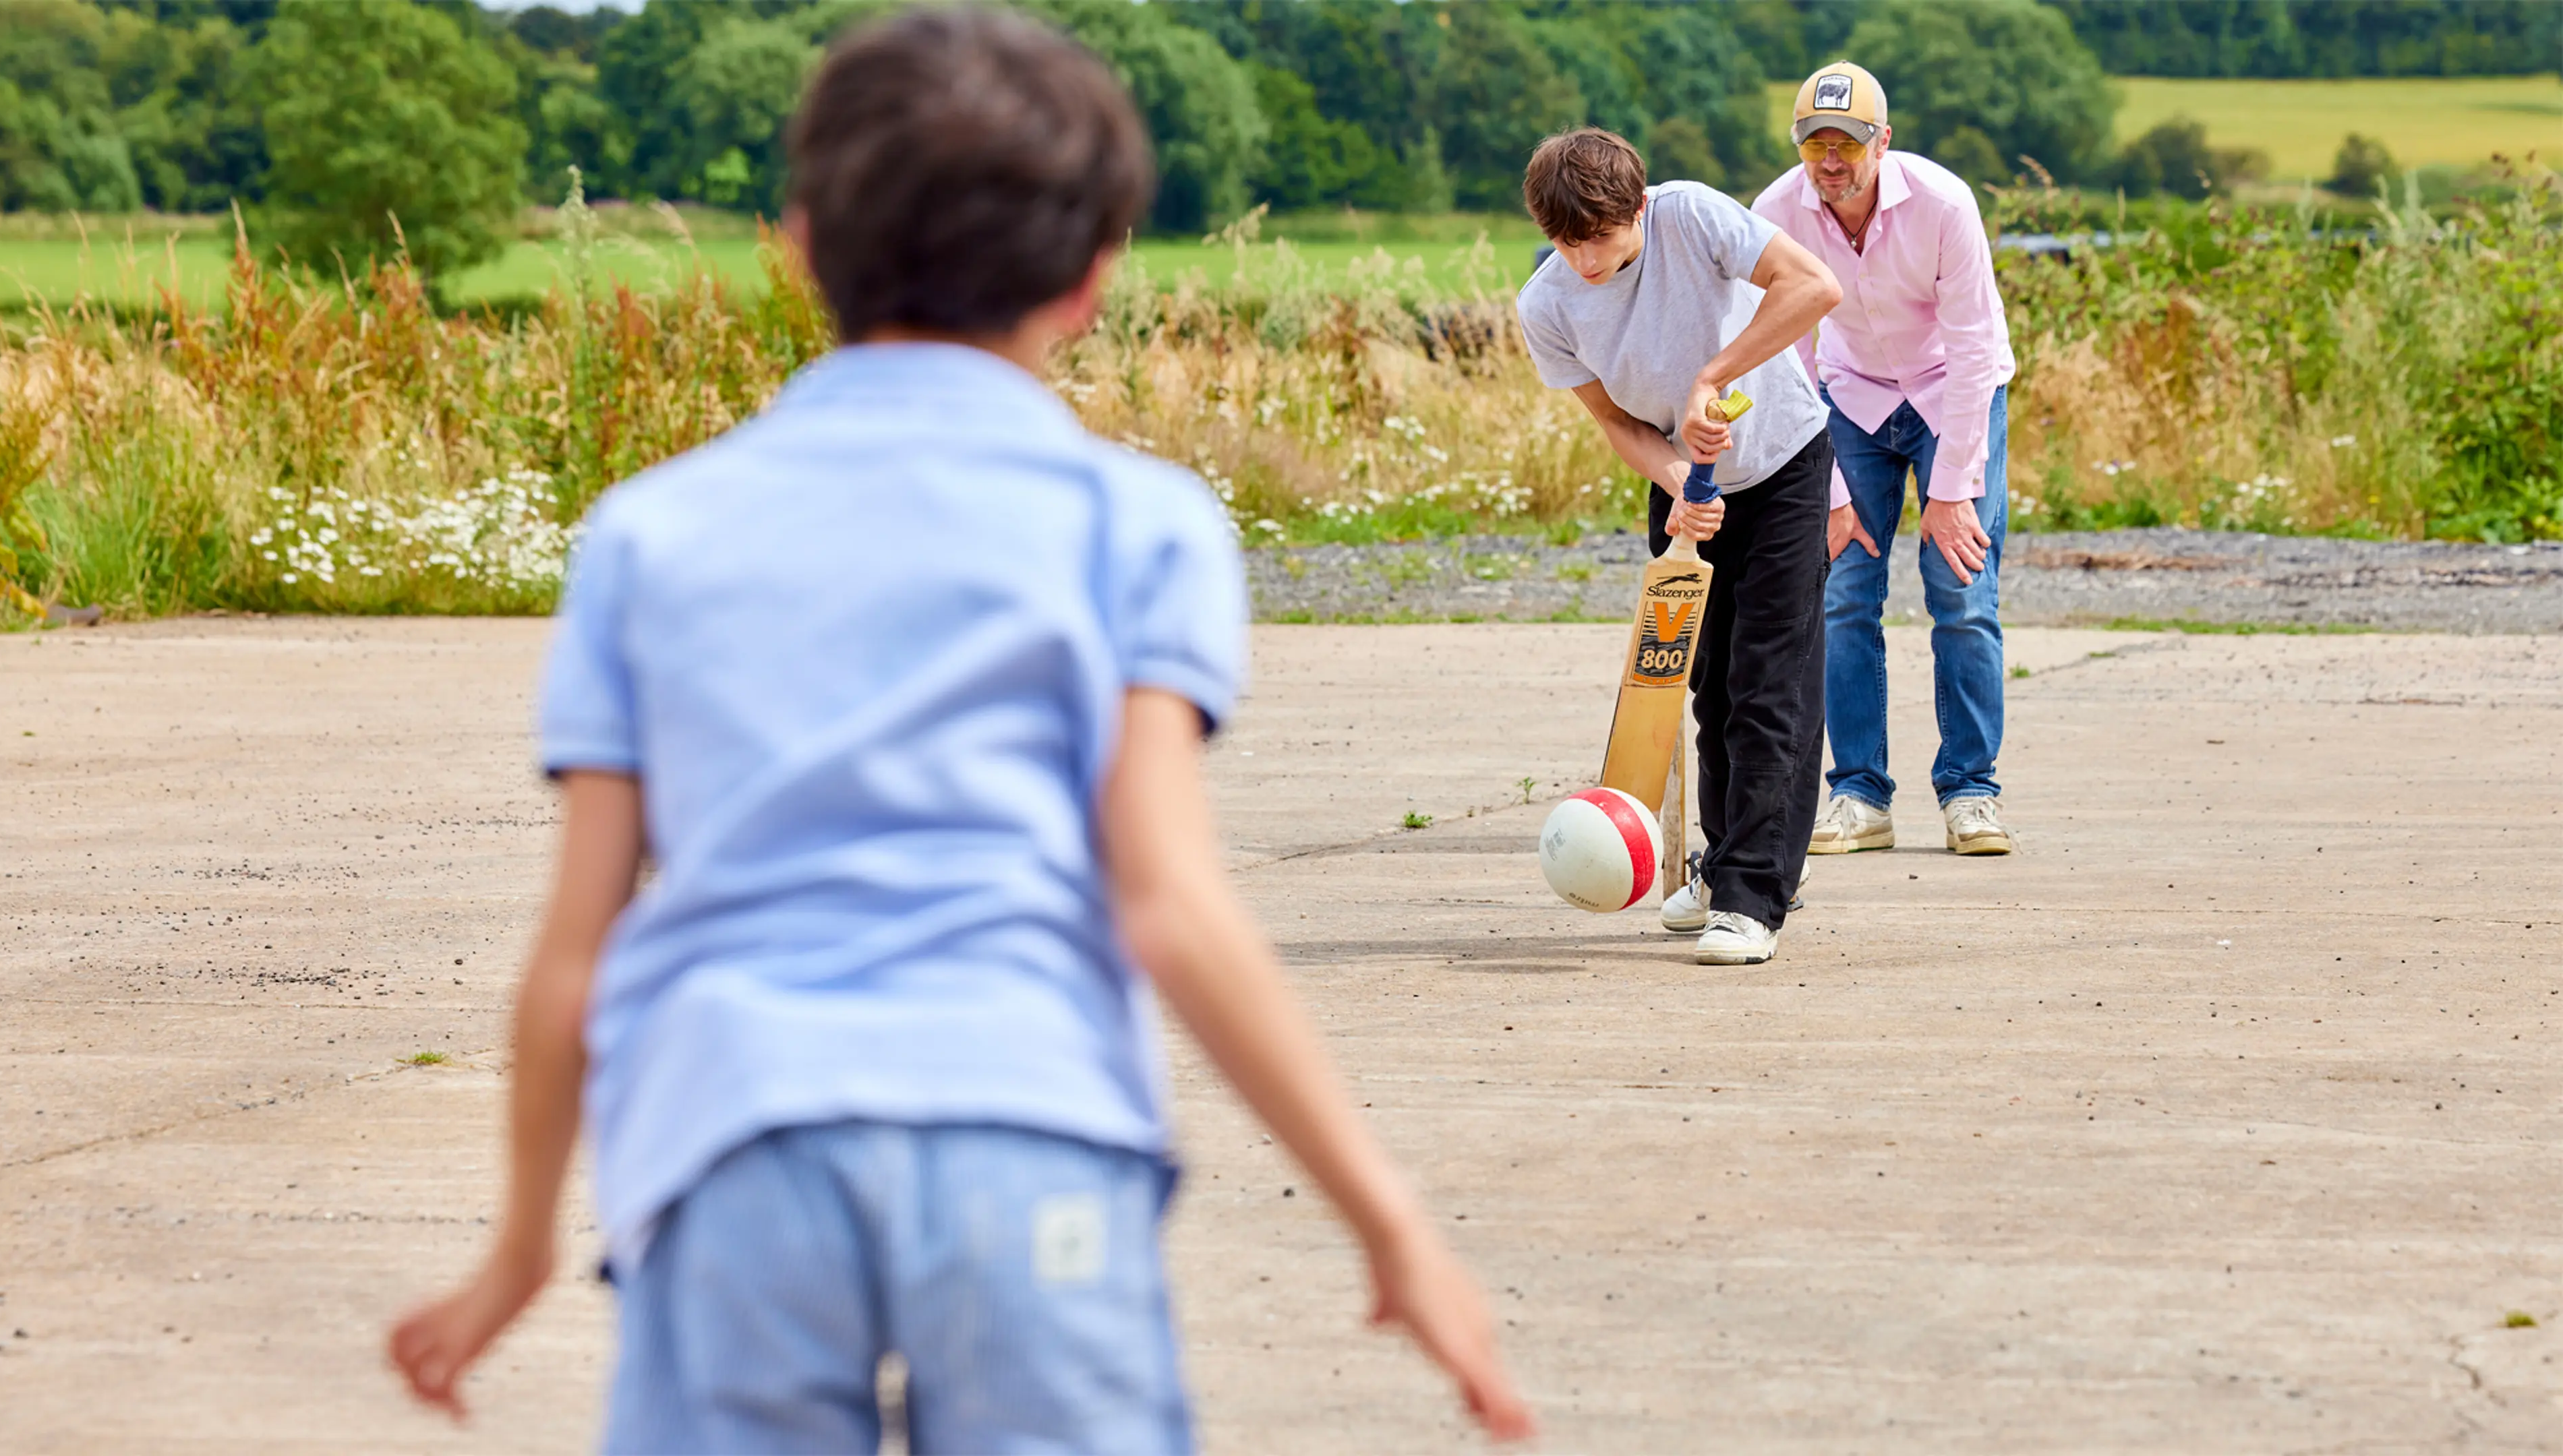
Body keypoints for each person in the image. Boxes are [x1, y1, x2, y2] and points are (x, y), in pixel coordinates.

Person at [384, 9, 1534, 1451]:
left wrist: (517, 1253)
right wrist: (1391, 1223)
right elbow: (1169, 908)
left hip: (732, 1146)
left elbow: (574, 959)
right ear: (1096, 275)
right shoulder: (1138, 526)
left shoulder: (649, 536)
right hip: (1030, 1133)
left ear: (799, 242)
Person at [1515, 129, 1842, 966]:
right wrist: (1673, 480)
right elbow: (1618, 424)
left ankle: (1753, 898)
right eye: (1565, 242)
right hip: (1685, 491)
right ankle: (1723, 862)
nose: (1584, 260)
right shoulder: (1547, 306)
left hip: (1783, 466)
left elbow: (1814, 286)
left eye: (1600, 237)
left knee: (1770, 687)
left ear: (1637, 206)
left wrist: (1713, 377)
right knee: (1706, 688)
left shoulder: (1691, 216)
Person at [1752, 62, 2020, 857]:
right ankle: (1859, 795)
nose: (1830, 160)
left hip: (1951, 397)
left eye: (1847, 142)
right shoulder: (1776, 213)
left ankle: (1971, 792)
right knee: (1839, 593)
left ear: (1883, 141)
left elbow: (1974, 350)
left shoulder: (1943, 204)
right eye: (1814, 143)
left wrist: (1953, 489)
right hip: (1851, 400)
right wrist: (1828, 491)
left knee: (1962, 591)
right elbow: (1784, 359)